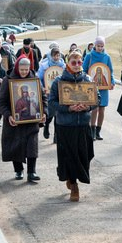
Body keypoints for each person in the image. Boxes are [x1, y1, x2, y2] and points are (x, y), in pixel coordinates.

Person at [48, 50, 96, 202]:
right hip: (66, 125)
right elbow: (52, 103)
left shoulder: (87, 79)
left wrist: (87, 107)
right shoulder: (58, 82)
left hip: (82, 124)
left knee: (85, 155)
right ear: (68, 63)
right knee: (70, 156)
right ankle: (74, 185)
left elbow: (97, 99)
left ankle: (71, 177)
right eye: (73, 62)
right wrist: (68, 108)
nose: (76, 65)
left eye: (79, 62)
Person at [0, 58, 43, 182]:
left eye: (26, 70)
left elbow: (42, 99)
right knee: (15, 146)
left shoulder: (35, 80)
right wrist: (9, 115)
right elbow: (0, 103)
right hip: (14, 123)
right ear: (17, 68)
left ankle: (31, 172)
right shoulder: (8, 81)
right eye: (21, 70)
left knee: (32, 146)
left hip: (31, 122)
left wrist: (44, 112)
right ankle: (18, 170)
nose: (24, 72)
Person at [83, 37, 114, 141]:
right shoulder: (89, 56)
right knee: (94, 109)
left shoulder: (106, 57)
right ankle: (92, 130)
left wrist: (112, 82)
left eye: (102, 46)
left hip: (103, 87)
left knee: (102, 109)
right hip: (91, 86)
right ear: (95, 45)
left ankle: (98, 131)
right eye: (98, 46)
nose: (100, 48)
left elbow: (110, 71)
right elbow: (84, 69)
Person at [37, 45, 65, 141]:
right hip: (48, 93)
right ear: (51, 55)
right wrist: (43, 87)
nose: (56, 58)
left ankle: (56, 135)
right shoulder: (44, 65)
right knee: (50, 113)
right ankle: (46, 126)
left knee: (58, 114)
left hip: (60, 93)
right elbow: (39, 78)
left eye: (58, 56)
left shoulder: (63, 66)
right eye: (54, 56)